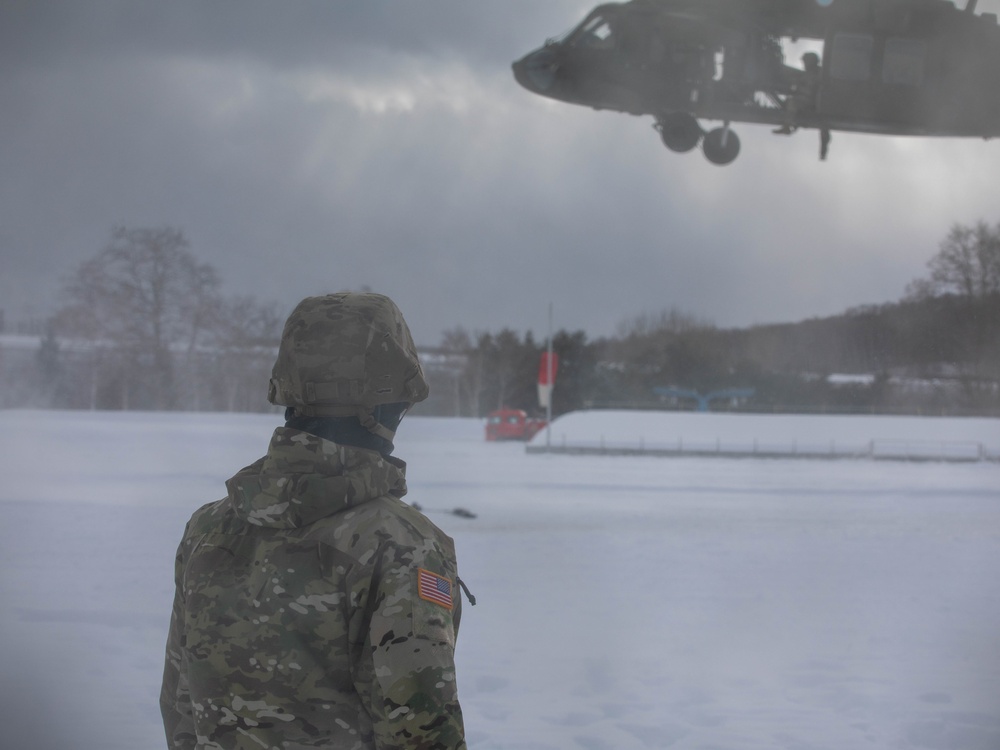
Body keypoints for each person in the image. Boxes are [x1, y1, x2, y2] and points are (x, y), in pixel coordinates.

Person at [160, 292, 469, 750]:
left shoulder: (208, 529)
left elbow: (182, 709)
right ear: (383, 407)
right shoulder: (400, 545)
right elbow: (421, 736)